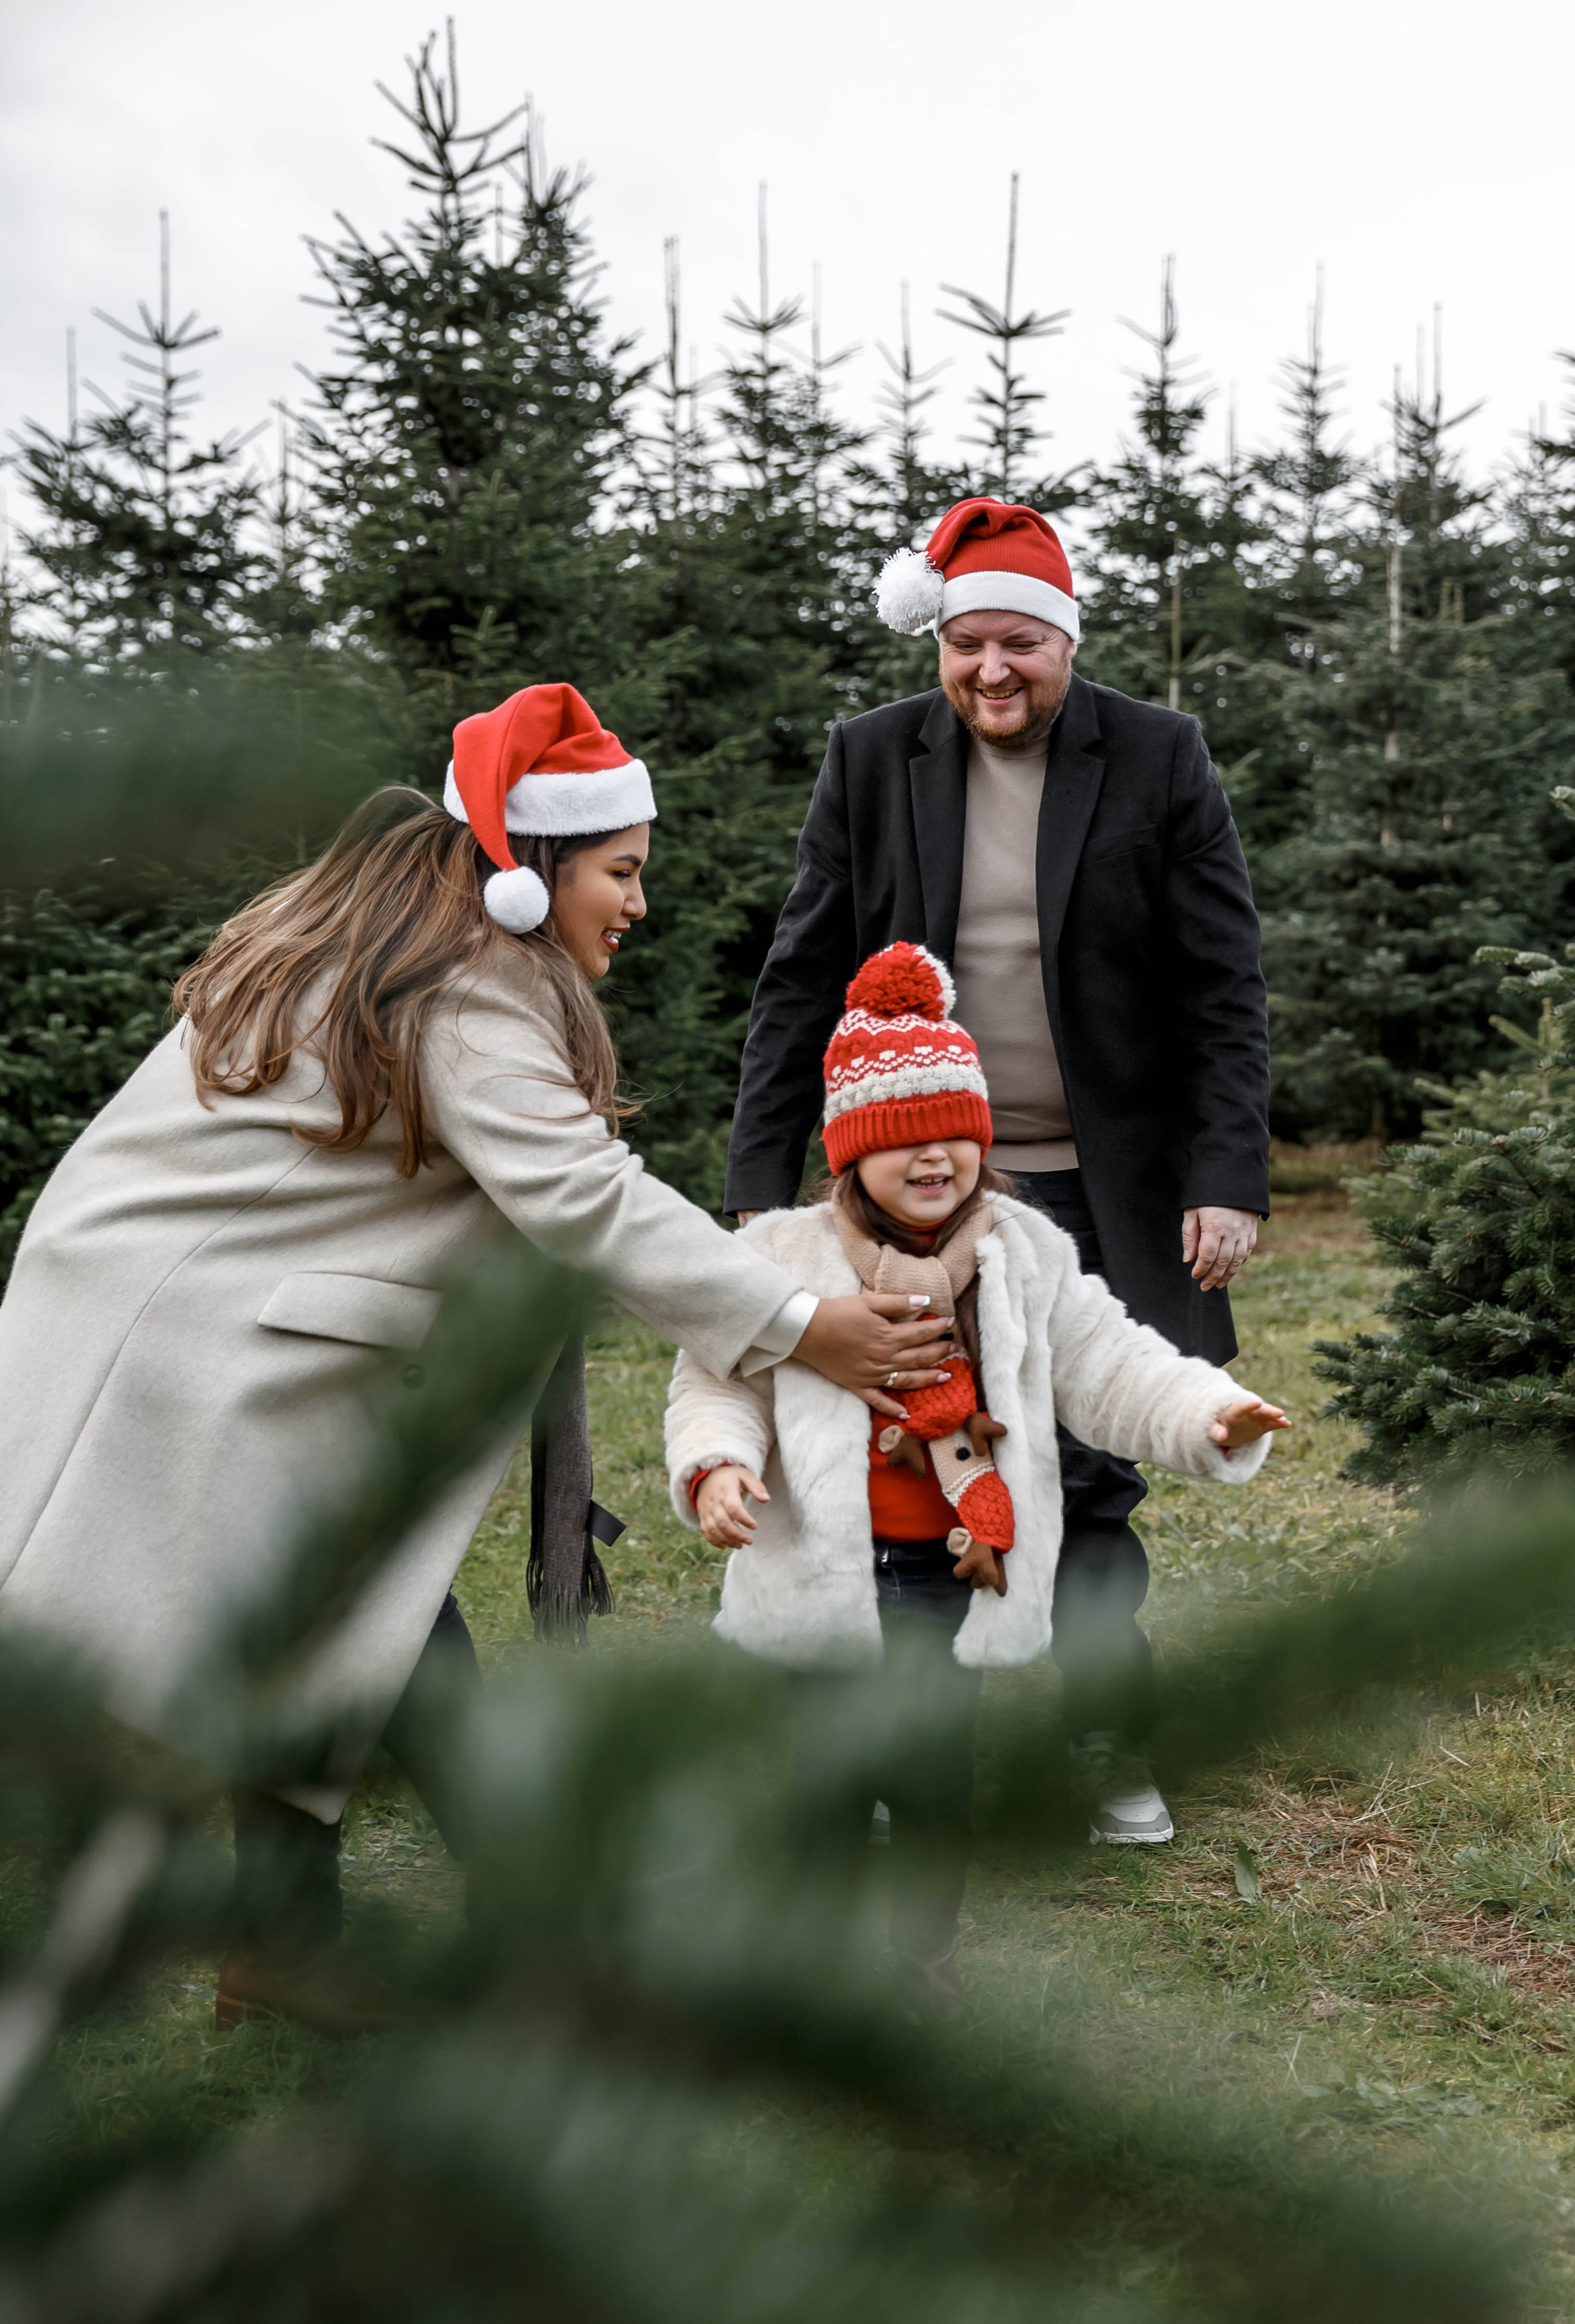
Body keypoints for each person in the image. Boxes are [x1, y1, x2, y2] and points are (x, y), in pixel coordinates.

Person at [0, 684, 957, 2033]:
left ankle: (291, 1943)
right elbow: (585, 1196)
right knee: (377, 1613)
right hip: (195, 1334)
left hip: (171, 1309)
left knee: (341, 1620)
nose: (638, 904)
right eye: (621, 871)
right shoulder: (472, 984)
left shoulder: (410, 944)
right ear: (534, 867)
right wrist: (801, 1322)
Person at [724, 497, 1272, 1842]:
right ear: (939, 645)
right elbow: (800, 973)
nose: (991, 670)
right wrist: (757, 1179)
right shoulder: (871, 760)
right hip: (906, 1186)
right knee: (893, 1456)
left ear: (1065, 642)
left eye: (1020, 644)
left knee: (1085, 1474)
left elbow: (1220, 984)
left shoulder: (1158, 757)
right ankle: (890, 1750)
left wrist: (1225, 1176)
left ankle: (1102, 1739)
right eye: (966, 644)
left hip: (1094, 1179)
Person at [668, 944, 1287, 2012]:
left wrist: (1207, 1415)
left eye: (954, 1131)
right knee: (819, 1780)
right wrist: (718, 1465)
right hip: (814, 1572)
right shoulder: (783, 1257)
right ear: (848, 1150)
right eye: (902, 1136)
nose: (934, 1156)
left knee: (931, 1781)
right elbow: (718, 1381)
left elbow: (1109, 1363)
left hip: (947, 1570)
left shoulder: (1022, 1255)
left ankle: (922, 1960)